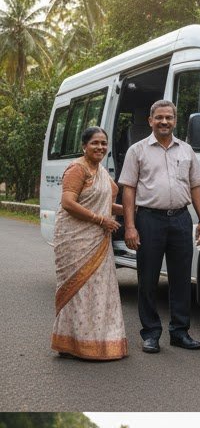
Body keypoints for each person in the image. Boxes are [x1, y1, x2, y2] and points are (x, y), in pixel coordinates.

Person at [119, 100, 200, 353]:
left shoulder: (186, 150)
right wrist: (130, 226)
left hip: (181, 219)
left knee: (181, 279)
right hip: (149, 220)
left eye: (169, 117)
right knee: (147, 278)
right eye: (159, 117)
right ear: (150, 121)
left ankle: (180, 332)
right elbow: (129, 189)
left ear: (175, 121)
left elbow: (195, 186)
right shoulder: (137, 151)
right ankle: (150, 333)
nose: (164, 122)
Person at [50, 126, 128, 360]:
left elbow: (103, 203)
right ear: (84, 146)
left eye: (103, 143)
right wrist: (101, 220)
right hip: (75, 238)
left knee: (99, 289)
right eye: (95, 143)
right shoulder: (78, 168)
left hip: (98, 238)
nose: (100, 147)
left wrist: (132, 211)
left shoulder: (101, 172)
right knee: (78, 289)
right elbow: (68, 202)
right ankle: (73, 343)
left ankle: (98, 341)